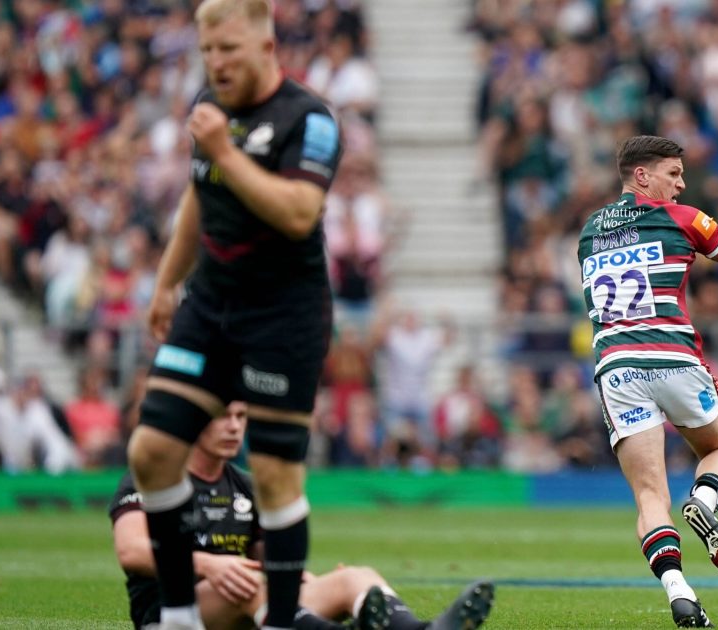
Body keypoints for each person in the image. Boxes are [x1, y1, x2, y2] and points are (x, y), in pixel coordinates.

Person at [124, 2, 345, 628]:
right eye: (208, 52)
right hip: (211, 305)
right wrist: (167, 284)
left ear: (266, 45)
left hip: (282, 316)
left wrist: (225, 148)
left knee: (275, 476)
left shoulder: (309, 120)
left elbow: (299, 212)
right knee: (151, 450)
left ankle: (279, 622)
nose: (217, 64)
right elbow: (201, 193)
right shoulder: (209, 107)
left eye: (230, 50)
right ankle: (176, 617)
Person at [576, 135, 718, 628]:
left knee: (650, 496)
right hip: (673, 357)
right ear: (642, 176)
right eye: (673, 174)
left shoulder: (589, 232)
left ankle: (679, 590)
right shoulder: (681, 218)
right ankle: (704, 501)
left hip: (617, 369)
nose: (681, 184)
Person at [111, 402, 496, 630]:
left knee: (353, 578)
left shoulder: (247, 486)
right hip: (169, 614)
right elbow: (131, 552)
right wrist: (211, 565)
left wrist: (294, 576)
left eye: (241, 417)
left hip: (244, 604)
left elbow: (266, 560)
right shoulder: (154, 476)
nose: (234, 427)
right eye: (222, 416)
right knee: (251, 586)